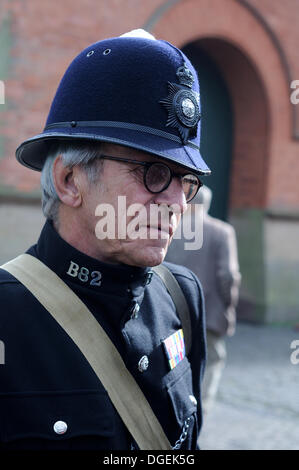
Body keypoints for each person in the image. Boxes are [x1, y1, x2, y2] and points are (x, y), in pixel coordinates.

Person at [0, 30, 211, 450]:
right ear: (68, 179)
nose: (177, 204)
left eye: (186, 181)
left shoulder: (181, 297)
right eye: (152, 173)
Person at [166, 185, 241, 413]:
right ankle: (199, 409)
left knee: (175, 361)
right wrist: (228, 306)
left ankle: (176, 407)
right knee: (211, 361)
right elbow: (228, 276)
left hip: (172, 310)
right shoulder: (221, 231)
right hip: (209, 312)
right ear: (207, 204)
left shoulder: (173, 227)